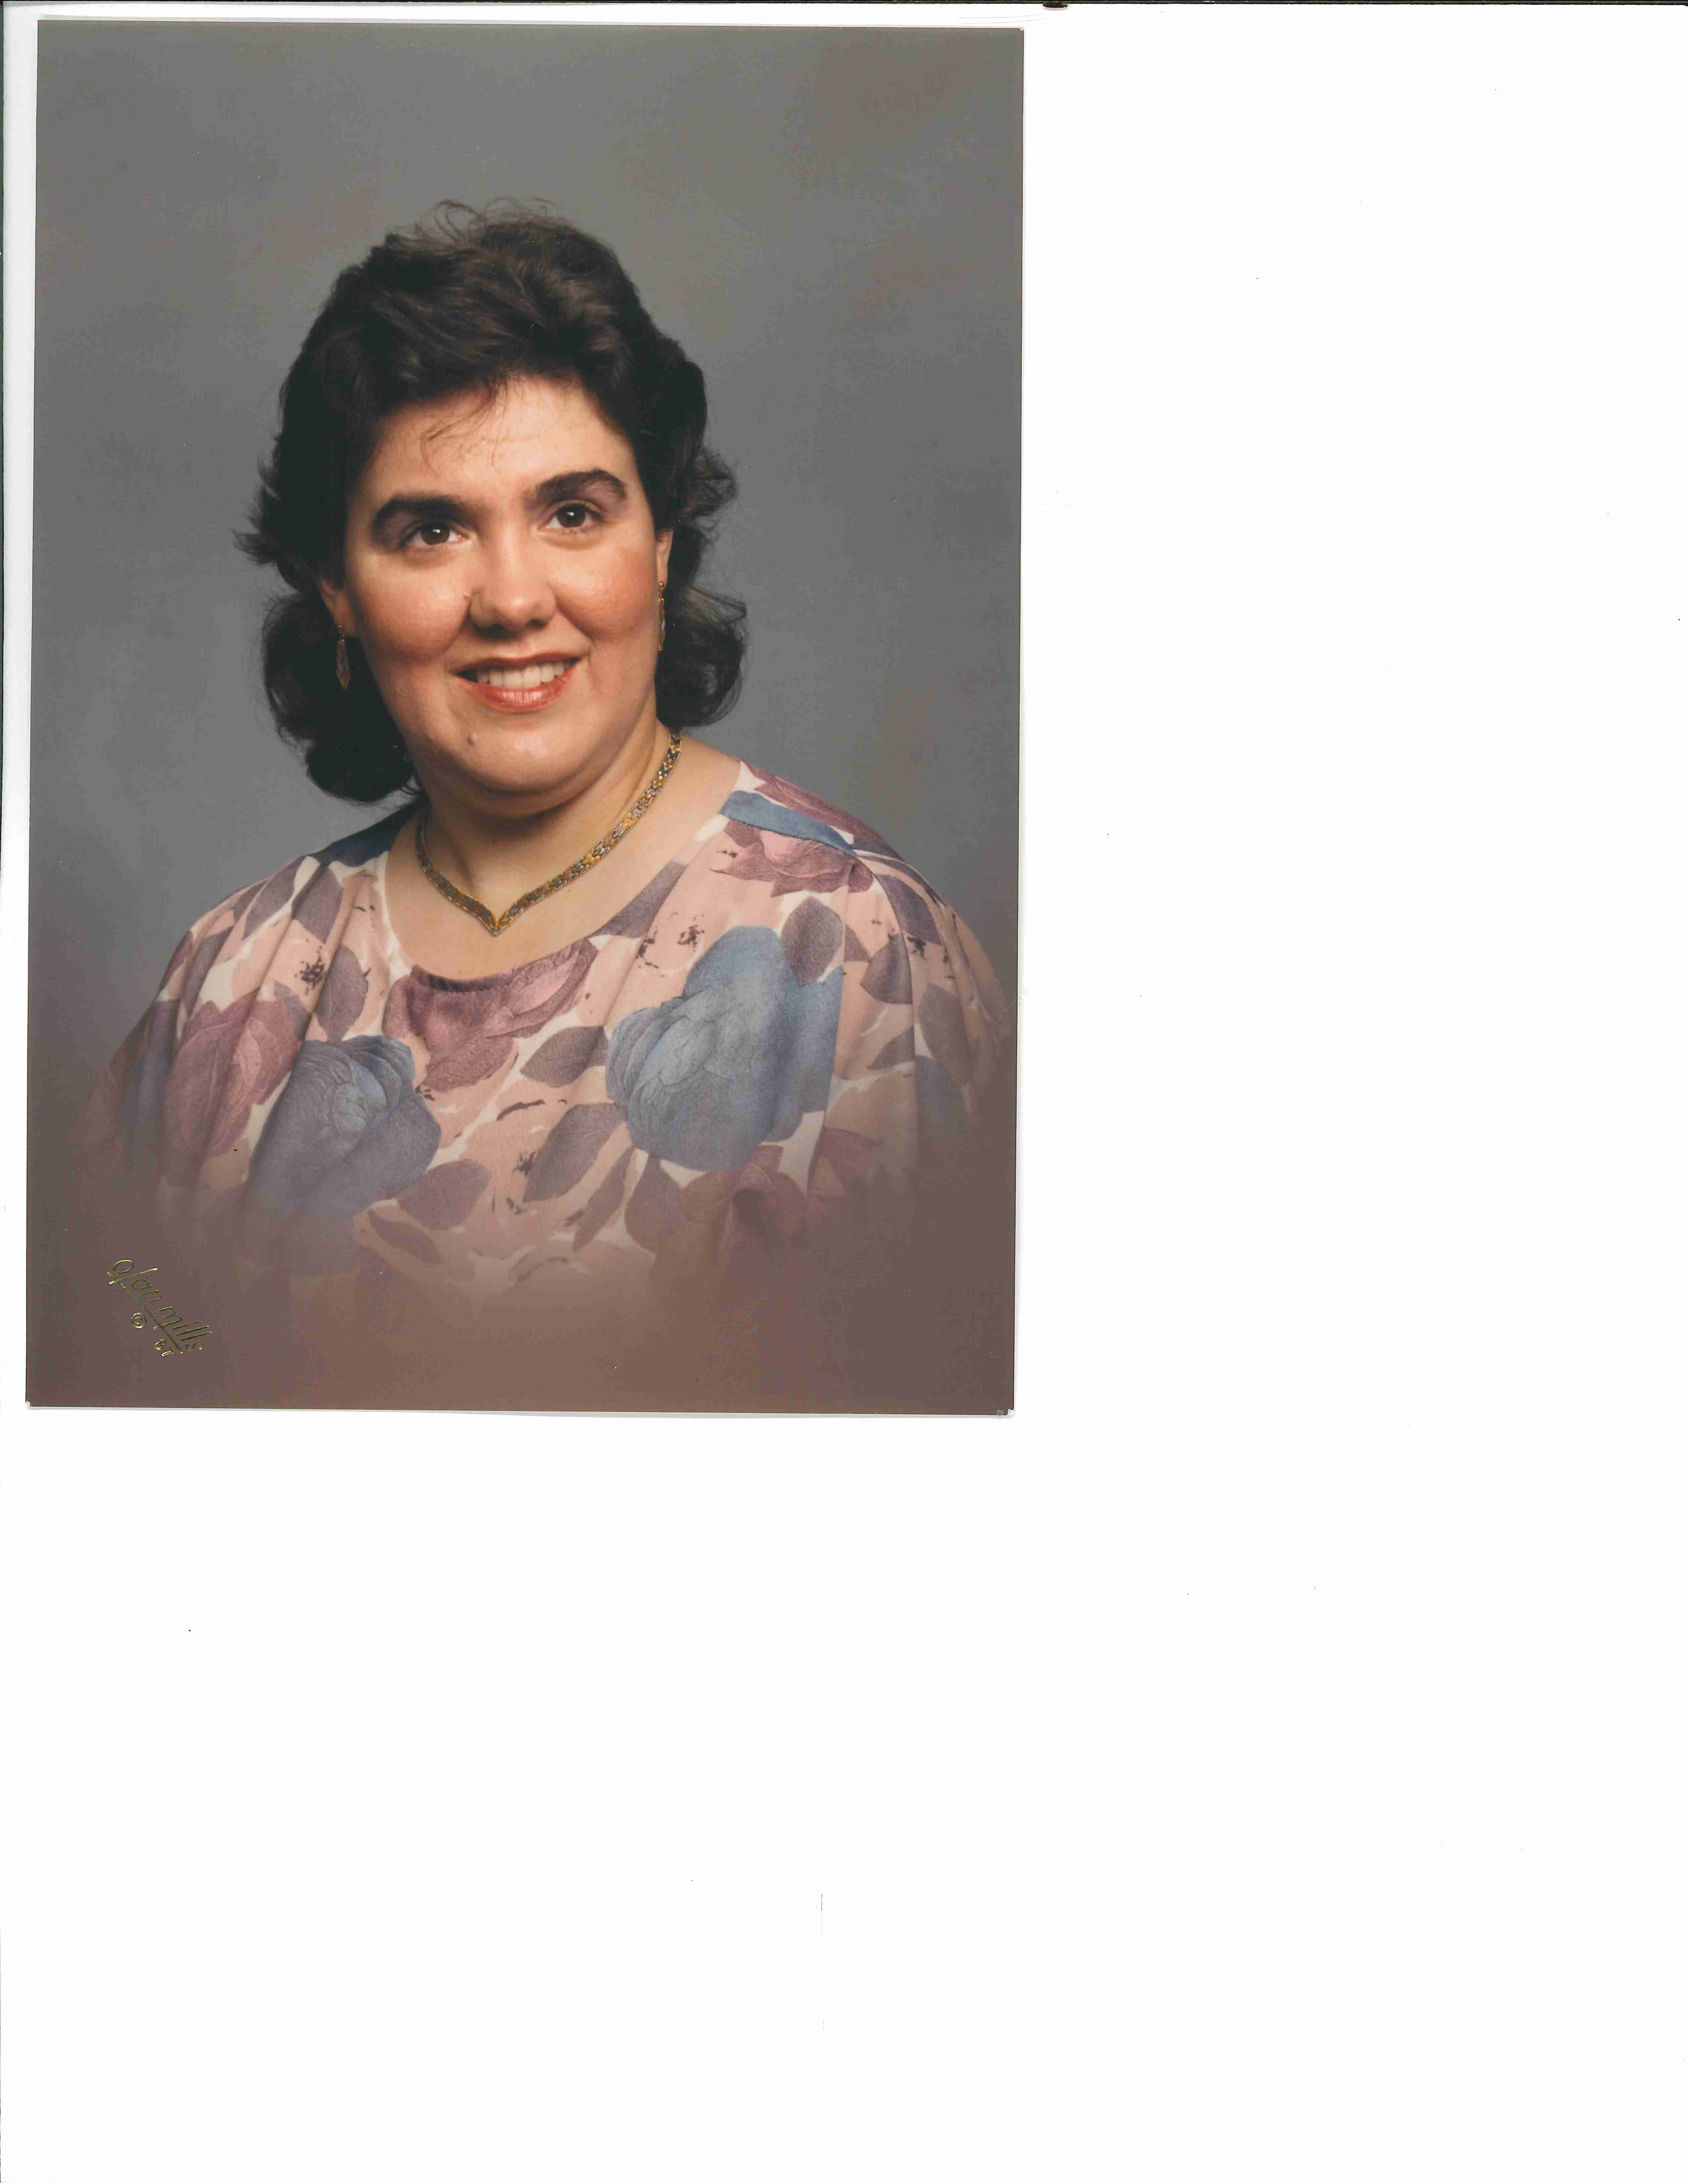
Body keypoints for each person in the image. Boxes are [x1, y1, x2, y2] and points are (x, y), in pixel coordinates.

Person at [70, 204, 1011, 1408]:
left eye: (573, 513)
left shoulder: (863, 956)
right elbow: (119, 1351)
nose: (512, 600)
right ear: (338, 589)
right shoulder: (230, 979)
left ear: (660, 545)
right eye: (432, 530)